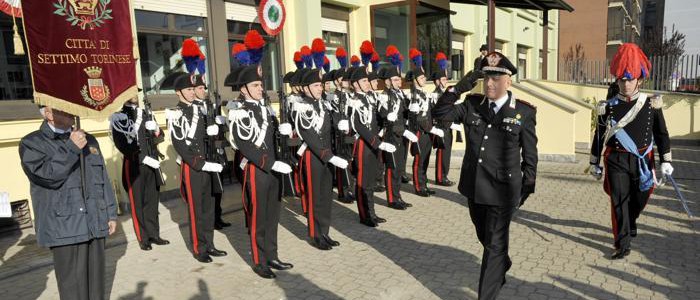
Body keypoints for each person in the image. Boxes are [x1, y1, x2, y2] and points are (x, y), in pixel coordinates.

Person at [432, 51, 537, 300]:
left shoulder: (523, 112)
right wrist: (463, 84)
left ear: (508, 81)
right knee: (485, 236)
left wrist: (527, 186)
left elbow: (530, 155)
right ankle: (502, 262)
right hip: (474, 188)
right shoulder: (472, 104)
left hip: (503, 191)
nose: (490, 83)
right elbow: (440, 113)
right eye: (487, 78)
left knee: (493, 246)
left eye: (497, 78)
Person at [19, 106, 118, 300]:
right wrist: (71, 148)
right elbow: (48, 177)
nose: (71, 110)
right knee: (73, 288)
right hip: (64, 227)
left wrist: (110, 212)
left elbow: (102, 179)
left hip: (95, 220)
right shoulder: (32, 143)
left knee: (96, 287)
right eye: (63, 108)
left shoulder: (89, 139)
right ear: (48, 113)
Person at [589, 43, 673, 259]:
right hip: (616, 158)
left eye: (630, 79)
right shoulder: (607, 106)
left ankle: (631, 219)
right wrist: (594, 162)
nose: (625, 84)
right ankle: (622, 243)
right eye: (621, 79)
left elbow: (661, 133)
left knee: (641, 197)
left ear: (640, 79)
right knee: (620, 200)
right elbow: (599, 135)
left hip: (643, 160)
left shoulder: (650, 104)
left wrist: (666, 160)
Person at [229, 65, 295, 279]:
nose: (260, 88)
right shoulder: (238, 111)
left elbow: (273, 138)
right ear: (244, 89)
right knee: (258, 216)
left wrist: (283, 132)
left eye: (260, 84)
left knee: (273, 215)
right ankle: (259, 260)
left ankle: (272, 255)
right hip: (257, 170)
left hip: (273, 168)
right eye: (255, 85)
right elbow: (244, 144)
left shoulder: (266, 109)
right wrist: (270, 163)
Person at [167, 73, 227, 263]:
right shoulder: (175, 113)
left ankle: (209, 244)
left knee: (209, 208)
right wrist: (200, 164)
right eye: (189, 89)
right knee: (197, 209)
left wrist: (214, 133)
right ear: (179, 93)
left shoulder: (201, 110)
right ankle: (198, 247)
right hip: (193, 167)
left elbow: (207, 140)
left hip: (208, 164)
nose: (193, 92)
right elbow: (180, 144)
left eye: (194, 89)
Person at [294, 68, 349, 250]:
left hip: (327, 157)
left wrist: (341, 122)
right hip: (313, 158)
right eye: (316, 85)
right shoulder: (302, 107)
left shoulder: (323, 105)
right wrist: (330, 157)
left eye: (320, 85)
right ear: (306, 88)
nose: (320, 88)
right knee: (315, 197)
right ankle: (315, 235)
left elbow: (332, 125)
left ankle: (324, 232)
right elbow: (309, 136)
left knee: (326, 197)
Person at [111, 97, 169, 251]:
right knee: (138, 203)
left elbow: (160, 137)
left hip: (152, 163)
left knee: (152, 201)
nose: (135, 96)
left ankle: (154, 234)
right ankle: (143, 238)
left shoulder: (146, 113)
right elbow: (120, 143)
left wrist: (156, 129)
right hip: (135, 163)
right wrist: (140, 157)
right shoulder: (119, 117)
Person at [346, 66, 397, 227]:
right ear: (355, 85)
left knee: (371, 181)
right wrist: (378, 143)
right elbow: (359, 125)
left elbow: (377, 119)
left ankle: (372, 212)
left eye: (367, 81)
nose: (367, 83)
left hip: (374, 142)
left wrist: (387, 116)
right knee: (363, 181)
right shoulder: (353, 101)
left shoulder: (371, 98)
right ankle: (364, 214)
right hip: (363, 144)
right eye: (363, 81)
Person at [191, 75, 231, 230]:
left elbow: (218, 130)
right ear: (193, 90)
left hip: (215, 153)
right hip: (204, 156)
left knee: (218, 188)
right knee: (208, 192)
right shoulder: (192, 108)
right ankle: (209, 220)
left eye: (204, 88)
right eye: (200, 88)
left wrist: (220, 123)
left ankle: (217, 217)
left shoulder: (208, 105)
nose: (204, 91)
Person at [377, 62, 415, 210]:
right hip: (391, 136)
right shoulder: (384, 96)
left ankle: (398, 195)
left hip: (401, 135)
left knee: (399, 168)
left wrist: (411, 108)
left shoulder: (399, 94)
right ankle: (392, 199)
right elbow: (385, 117)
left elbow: (404, 113)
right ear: (387, 82)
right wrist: (402, 129)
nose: (399, 82)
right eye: (396, 79)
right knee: (392, 168)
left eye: (399, 79)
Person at [406, 63, 444, 197]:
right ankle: (418, 186)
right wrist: (431, 129)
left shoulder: (423, 94)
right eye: (421, 78)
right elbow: (418, 119)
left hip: (427, 132)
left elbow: (428, 114)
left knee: (426, 160)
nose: (424, 80)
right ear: (415, 80)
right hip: (419, 132)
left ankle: (424, 184)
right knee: (419, 161)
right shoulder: (413, 95)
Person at [430, 58, 462, 186]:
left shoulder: (445, 94)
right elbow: (436, 113)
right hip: (441, 128)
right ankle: (440, 177)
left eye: (446, 79)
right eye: (443, 80)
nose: (446, 81)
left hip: (448, 126)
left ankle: (444, 175)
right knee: (442, 153)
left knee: (447, 153)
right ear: (437, 82)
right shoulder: (435, 95)